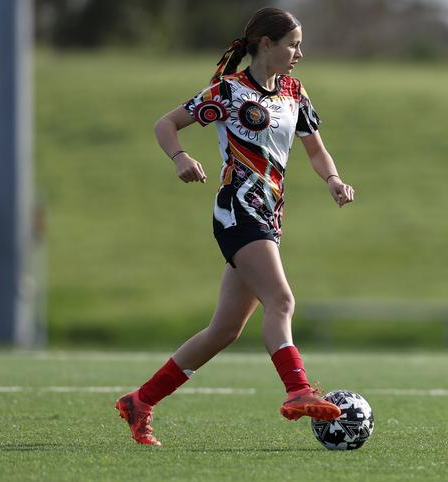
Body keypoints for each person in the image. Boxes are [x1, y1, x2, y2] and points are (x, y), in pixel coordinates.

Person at [115, 7, 355, 446]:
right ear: (266, 44)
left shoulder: (294, 92)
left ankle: (140, 401)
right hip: (237, 212)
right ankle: (297, 390)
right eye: (293, 44)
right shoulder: (228, 91)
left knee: (224, 330)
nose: (299, 52)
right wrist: (180, 157)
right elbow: (165, 124)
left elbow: (317, 152)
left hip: (269, 215)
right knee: (281, 300)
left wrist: (334, 180)